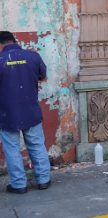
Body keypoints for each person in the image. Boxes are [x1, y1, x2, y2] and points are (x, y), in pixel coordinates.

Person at [0, 31, 51, 194]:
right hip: (30, 110)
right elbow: (43, 77)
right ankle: (43, 180)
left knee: (12, 148)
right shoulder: (33, 56)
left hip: (7, 113)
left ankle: (19, 185)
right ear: (14, 40)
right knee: (37, 145)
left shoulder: (1, 60)